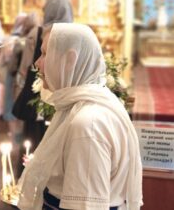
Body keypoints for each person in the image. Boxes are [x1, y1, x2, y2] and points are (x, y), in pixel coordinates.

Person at [17, 23, 143, 210]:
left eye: (44, 54)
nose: (36, 63)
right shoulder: (84, 104)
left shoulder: (88, 124)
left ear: (70, 61)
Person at [12, 0, 73, 176]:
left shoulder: (38, 32)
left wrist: (19, 91)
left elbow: (26, 68)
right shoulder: (73, 34)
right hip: (64, 98)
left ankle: (27, 182)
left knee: (32, 140)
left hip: (36, 97)